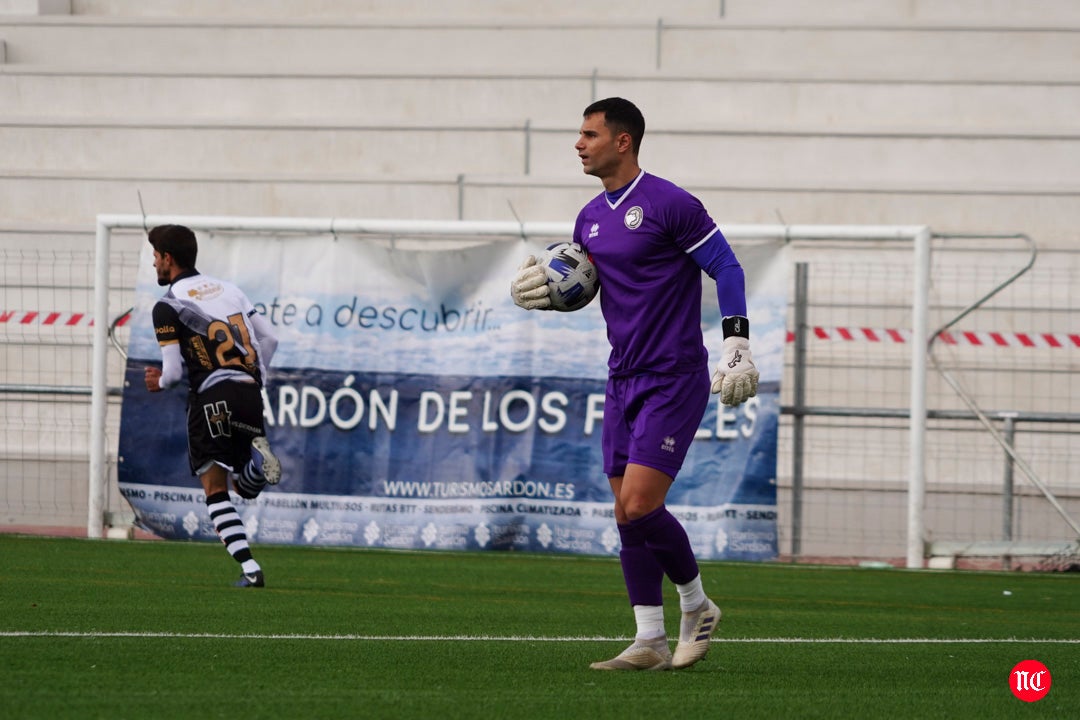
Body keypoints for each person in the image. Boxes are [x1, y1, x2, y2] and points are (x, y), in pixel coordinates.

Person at [511, 97, 759, 671]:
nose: (578, 143)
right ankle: (649, 639)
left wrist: (737, 345)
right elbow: (589, 285)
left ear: (623, 141)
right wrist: (552, 295)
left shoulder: (670, 203)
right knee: (624, 514)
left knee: (642, 504)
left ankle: (697, 605)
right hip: (621, 376)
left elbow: (728, 267)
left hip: (672, 375)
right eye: (578, 133)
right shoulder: (588, 219)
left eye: (589, 134)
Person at [143, 224, 282, 588]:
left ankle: (250, 570)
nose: (154, 263)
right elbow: (270, 337)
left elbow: (173, 373)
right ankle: (256, 466)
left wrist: (159, 381)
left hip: (210, 396)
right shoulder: (230, 290)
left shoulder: (168, 306)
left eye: (155, 256)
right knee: (245, 488)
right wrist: (254, 377)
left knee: (215, 489)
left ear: (168, 259)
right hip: (249, 390)